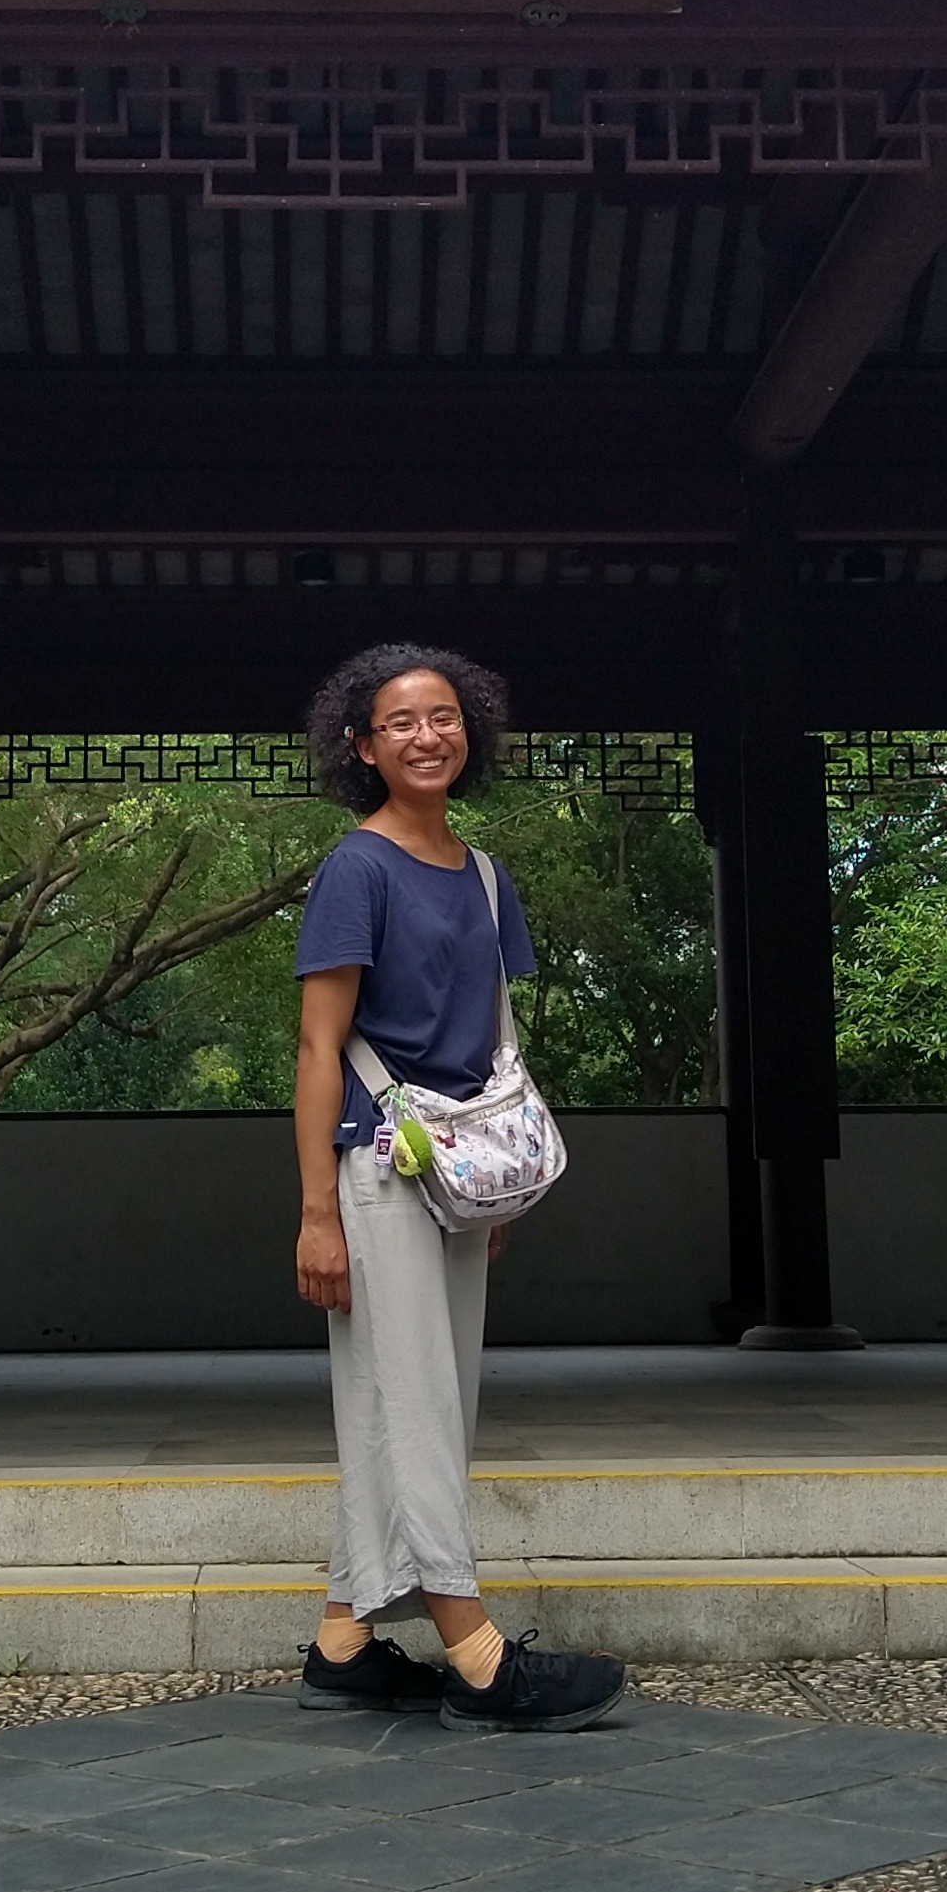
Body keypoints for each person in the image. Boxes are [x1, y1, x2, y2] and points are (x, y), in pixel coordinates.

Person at [290, 644, 626, 1731]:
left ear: (468, 728)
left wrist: (497, 1188)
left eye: (444, 716)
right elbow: (317, 1044)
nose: (428, 735)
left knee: (434, 1402)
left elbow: (492, 1039)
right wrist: (316, 1213)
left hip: (461, 1177)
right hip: (380, 1169)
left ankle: (346, 1640)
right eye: (401, 721)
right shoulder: (358, 868)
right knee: (415, 1407)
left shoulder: (484, 875)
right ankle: (477, 1655)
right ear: (362, 746)